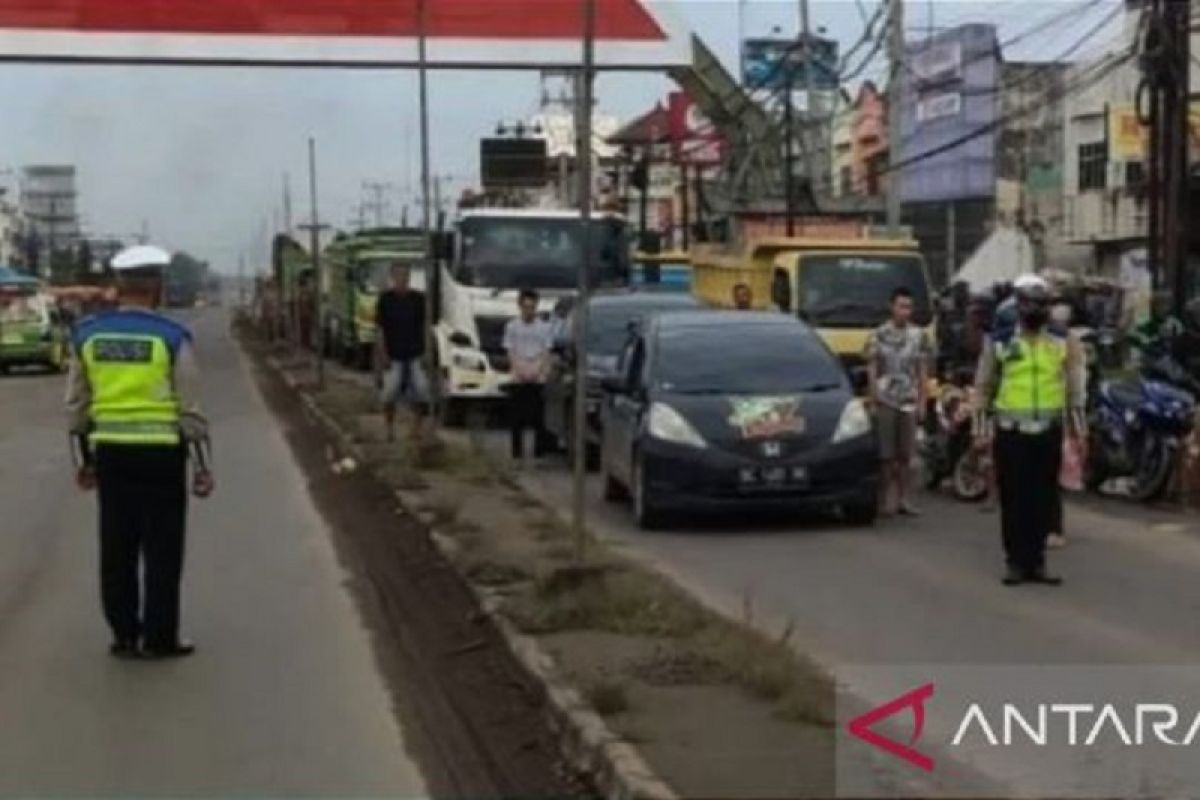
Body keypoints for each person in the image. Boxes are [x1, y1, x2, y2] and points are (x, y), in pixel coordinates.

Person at [65, 249, 212, 659]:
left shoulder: (87, 334)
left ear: (119, 288)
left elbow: (77, 405)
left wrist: (84, 461)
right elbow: (190, 406)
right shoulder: (170, 336)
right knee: (163, 548)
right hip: (162, 455)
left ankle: (124, 634)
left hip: (112, 454)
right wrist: (202, 466)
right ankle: (161, 637)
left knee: (117, 546)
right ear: (156, 288)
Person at [974, 274, 1086, 586]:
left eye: (1042, 305)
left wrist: (1079, 433)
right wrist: (980, 431)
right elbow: (983, 387)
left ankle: (1037, 561)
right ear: (1020, 308)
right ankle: (1015, 562)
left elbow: (1075, 390)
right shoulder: (1001, 341)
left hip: (1048, 430)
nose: (1037, 311)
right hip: (1011, 431)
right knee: (1014, 499)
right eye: (1031, 305)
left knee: (1043, 498)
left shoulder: (1062, 342)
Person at [866, 287, 932, 516]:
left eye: (909, 307)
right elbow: (872, 370)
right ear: (892, 307)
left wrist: (923, 401)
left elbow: (922, 371)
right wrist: (873, 400)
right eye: (901, 306)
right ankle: (885, 498)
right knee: (886, 455)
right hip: (886, 400)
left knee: (906, 455)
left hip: (908, 401)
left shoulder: (919, 336)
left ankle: (904, 498)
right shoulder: (878, 335)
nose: (905, 312)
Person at [375, 263, 430, 444]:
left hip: (415, 352)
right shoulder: (385, 300)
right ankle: (389, 428)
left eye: (405, 276)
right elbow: (380, 329)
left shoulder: (418, 299)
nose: (402, 279)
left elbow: (425, 327)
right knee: (390, 392)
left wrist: (426, 352)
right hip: (393, 354)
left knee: (421, 391)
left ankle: (417, 428)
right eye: (398, 276)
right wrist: (383, 353)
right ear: (393, 277)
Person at [504, 288, 553, 466]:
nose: (528, 311)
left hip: (537, 375)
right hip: (518, 375)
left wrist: (538, 371)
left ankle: (538, 455)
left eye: (532, 307)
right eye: (525, 307)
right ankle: (517, 455)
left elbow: (546, 351)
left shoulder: (544, 328)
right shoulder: (512, 327)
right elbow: (510, 350)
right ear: (519, 306)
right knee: (516, 417)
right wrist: (519, 370)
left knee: (538, 417)